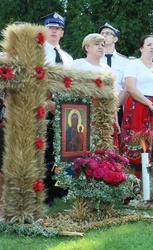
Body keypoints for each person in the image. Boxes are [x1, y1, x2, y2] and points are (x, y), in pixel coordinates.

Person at [41, 12, 73, 206]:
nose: (54, 31)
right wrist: (47, 102)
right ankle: (44, 191)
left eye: (58, 28)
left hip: (66, 110)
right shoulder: (37, 52)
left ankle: (59, 187)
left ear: (62, 32)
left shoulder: (67, 57)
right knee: (44, 149)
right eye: (51, 27)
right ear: (44, 30)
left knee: (63, 150)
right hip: (42, 108)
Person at [120, 35, 153, 170]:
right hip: (138, 105)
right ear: (141, 48)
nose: (152, 47)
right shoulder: (133, 64)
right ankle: (134, 180)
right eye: (149, 44)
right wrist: (148, 103)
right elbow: (130, 87)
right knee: (137, 144)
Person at [71, 33, 119, 146]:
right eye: (97, 44)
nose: (101, 47)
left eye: (103, 45)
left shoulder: (107, 69)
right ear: (87, 47)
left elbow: (113, 96)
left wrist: (115, 118)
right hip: (83, 111)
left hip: (104, 114)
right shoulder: (78, 64)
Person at [98, 23, 129, 129]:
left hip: (118, 107)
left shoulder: (125, 61)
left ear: (115, 39)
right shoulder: (94, 59)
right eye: (101, 33)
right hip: (98, 107)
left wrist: (115, 106)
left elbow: (127, 87)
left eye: (107, 33)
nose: (104, 35)